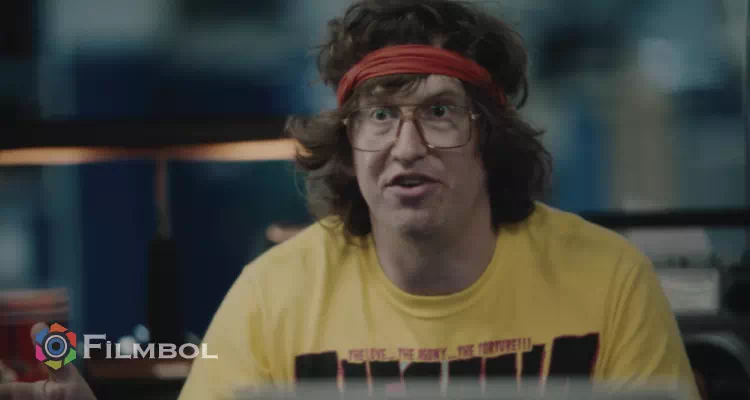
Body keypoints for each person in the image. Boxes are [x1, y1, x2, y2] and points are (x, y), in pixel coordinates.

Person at [0, 1, 701, 399]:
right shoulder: (274, 295)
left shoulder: (608, 280)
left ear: (490, 138)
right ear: (349, 141)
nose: (406, 146)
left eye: (439, 112)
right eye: (379, 115)